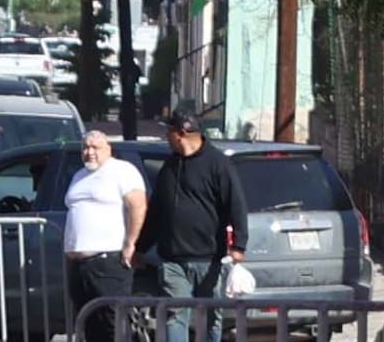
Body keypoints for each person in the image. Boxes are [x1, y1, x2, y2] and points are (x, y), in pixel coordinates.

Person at [137, 109, 249, 342]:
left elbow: (235, 205)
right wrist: (141, 247)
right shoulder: (169, 167)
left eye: (168, 132)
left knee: (209, 317)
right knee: (175, 314)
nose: (166, 138)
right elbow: (156, 212)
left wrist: (239, 244)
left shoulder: (218, 164)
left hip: (208, 258)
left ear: (181, 134)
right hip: (172, 260)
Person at [63, 130, 148, 342]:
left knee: (113, 323)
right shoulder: (79, 175)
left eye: (95, 147)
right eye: (85, 147)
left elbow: (138, 205)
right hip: (79, 266)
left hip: (108, 261)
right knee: (88, 324)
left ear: (109, 149)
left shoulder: (122, 171)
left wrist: (131, 243)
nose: (89, 152)